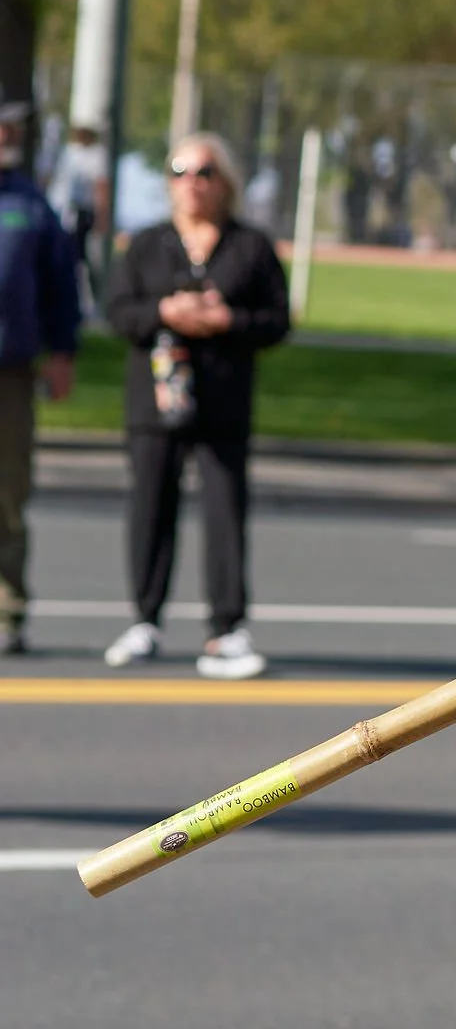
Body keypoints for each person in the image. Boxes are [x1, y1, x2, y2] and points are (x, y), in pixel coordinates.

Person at [102, 134, 289, 680]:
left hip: (222, 401)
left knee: (225, 511)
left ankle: (226, 629)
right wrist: (166, 310)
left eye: (204, 172)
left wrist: (227, 320)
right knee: (150, 507)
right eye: (180, 171)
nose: (192, 183)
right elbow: (117, 312)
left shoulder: (249, 246)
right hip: (156, 400)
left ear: (225, 181)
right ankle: (145, 619)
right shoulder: (146, 244)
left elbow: (277, 320)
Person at [0, 103, 82, 653]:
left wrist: (62, 351)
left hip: (11, 370)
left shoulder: (29, 203)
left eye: (11, 128)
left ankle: (7, 611)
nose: (8, 135)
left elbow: (60, 281)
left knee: (7, 493)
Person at [53, 117, 108, 305]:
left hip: (82, 213)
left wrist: (102, 216)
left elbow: (101, 185)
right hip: (61, 210)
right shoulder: (66, 152)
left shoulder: (97, 154)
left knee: (81, 258)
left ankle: (85, 301)